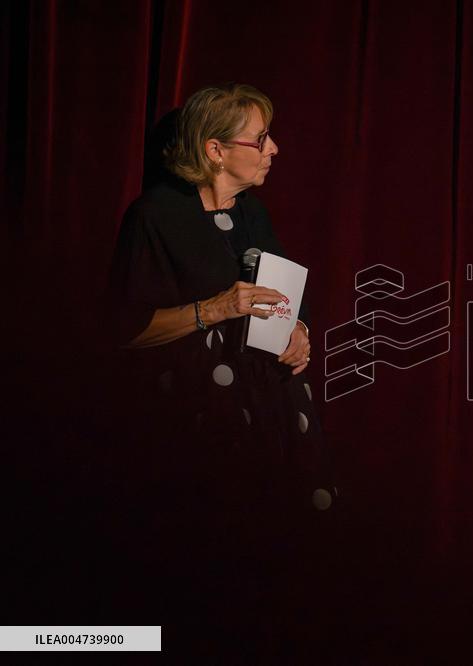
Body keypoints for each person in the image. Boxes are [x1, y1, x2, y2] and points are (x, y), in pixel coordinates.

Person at [104, 83, 334, 655]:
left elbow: (281, 295)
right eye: (260, 138)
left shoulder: (253, 213)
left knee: (276, 576)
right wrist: (216, 308)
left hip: (268, 415)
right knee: (203, 579)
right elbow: (125, 330)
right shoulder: (155, 216)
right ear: (213, 149)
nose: (274, 148)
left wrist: (300, 333)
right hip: (196, 426)